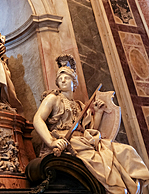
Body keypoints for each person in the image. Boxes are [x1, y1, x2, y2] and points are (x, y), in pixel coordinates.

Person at [33, 54, 149, 193]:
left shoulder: (80, 105)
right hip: (67, 141)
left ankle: (140, 188)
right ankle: (118, 188)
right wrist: (51, 141)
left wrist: (98, 112)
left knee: (126, 151)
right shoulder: (53, 98)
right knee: (101, 162)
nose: (63, 80)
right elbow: (37, 119)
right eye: (60, 78)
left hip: (84, 140)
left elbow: (91, 129)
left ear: (74, 82)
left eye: (67, 77)